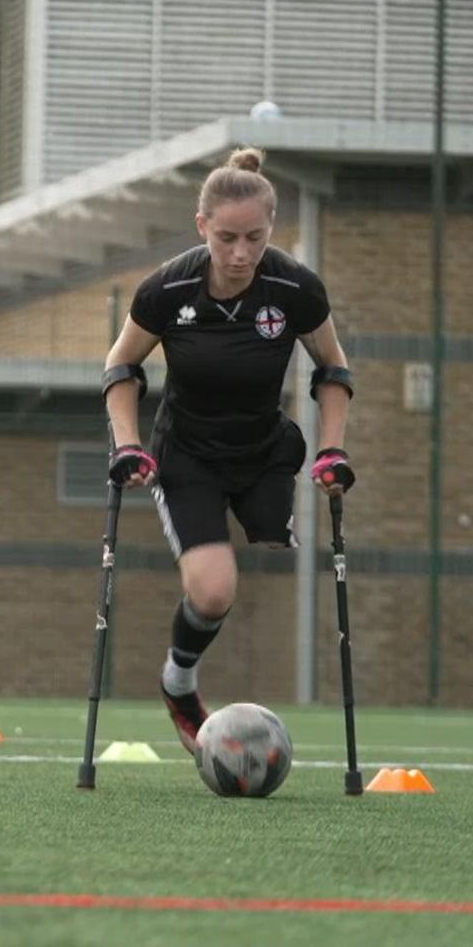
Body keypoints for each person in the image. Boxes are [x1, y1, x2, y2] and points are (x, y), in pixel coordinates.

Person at [100, 147, 354, 755]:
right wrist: (128, 443)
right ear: (201, 227)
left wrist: (332, 450)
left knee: (269, 535)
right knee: (215, 591)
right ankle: (178, 683)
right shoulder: (169, 288)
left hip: (264, 448)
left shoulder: (294, 286)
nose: (241, 253)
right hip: (187, 453)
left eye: (256, 238)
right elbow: (121, 364)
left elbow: (333, 367)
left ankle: (263, 511)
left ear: (272, 229)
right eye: (226, 238)